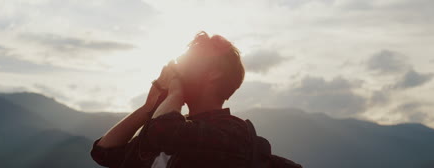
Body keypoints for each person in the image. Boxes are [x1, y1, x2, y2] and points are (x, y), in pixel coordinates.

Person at [90, 31, 302, 168]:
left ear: (214, 73)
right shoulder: (173, 126)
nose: (177, 66)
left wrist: (174, 94)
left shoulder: (233, 133)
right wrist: (148, 107)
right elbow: (104, 153)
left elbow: (163, 133)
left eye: (188, 60)